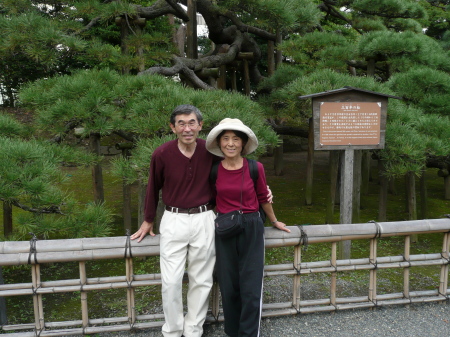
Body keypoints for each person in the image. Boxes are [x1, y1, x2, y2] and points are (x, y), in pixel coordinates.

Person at [131, 104, 219, 337]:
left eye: (192, 123)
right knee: (171, 281)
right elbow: (153, 187)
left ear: (200, 125)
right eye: (181, 123)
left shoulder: (212, 151)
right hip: (173, 218)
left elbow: (230, 174)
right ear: (173, 127)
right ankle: (172, 330)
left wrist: (262, 191)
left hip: (204, 218)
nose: (187, 128)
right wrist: (148, 220)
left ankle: (193, 329)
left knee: (202, 279)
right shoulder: (161, 154)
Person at [205, 118, 291, 337]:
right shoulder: (214, 171)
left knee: (251, 285)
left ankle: (249, 333)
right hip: (225, 228)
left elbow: (263, 196)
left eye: (236, 139)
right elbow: (211, 200)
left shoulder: (255, 167)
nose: (230, 143)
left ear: (243, 144)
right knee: (228, 284)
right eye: (225, 139)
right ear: (219, 143)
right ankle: (232, 332)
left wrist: (274, 220)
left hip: (252, 226)